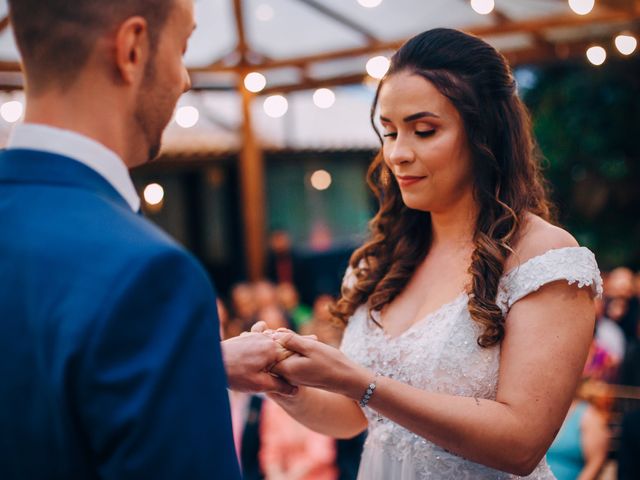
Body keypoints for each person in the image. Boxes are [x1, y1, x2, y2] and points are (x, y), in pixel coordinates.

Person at [264, 28, 602, 479]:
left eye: (424, 131)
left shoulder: (542, 258)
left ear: (485, 133)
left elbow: (522, 442)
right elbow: (353, 417)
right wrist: (284, 384)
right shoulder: (378, 261)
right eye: (388, 132)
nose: (398, 154)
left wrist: (363, 384)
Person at [0, 1, 293, 479]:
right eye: (181, 49)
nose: (185, 80)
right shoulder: (149, 276)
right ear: (133, 49)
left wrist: (195, 366)